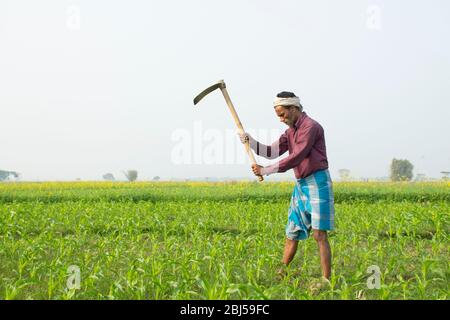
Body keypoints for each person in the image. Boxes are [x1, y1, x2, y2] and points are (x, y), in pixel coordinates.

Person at [239, 91, 335, 281]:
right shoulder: (290, 132)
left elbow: (297, 156)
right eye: (278, 116)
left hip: (318, 182)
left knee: (319, 234)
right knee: (292, 231)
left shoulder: (311, 127)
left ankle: (326, 281)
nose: (281, 119)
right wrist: (251, 142)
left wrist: (266, 171)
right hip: (301, 185)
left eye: (283, 114)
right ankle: (281, 274)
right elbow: (271, 152)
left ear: (294, 108)